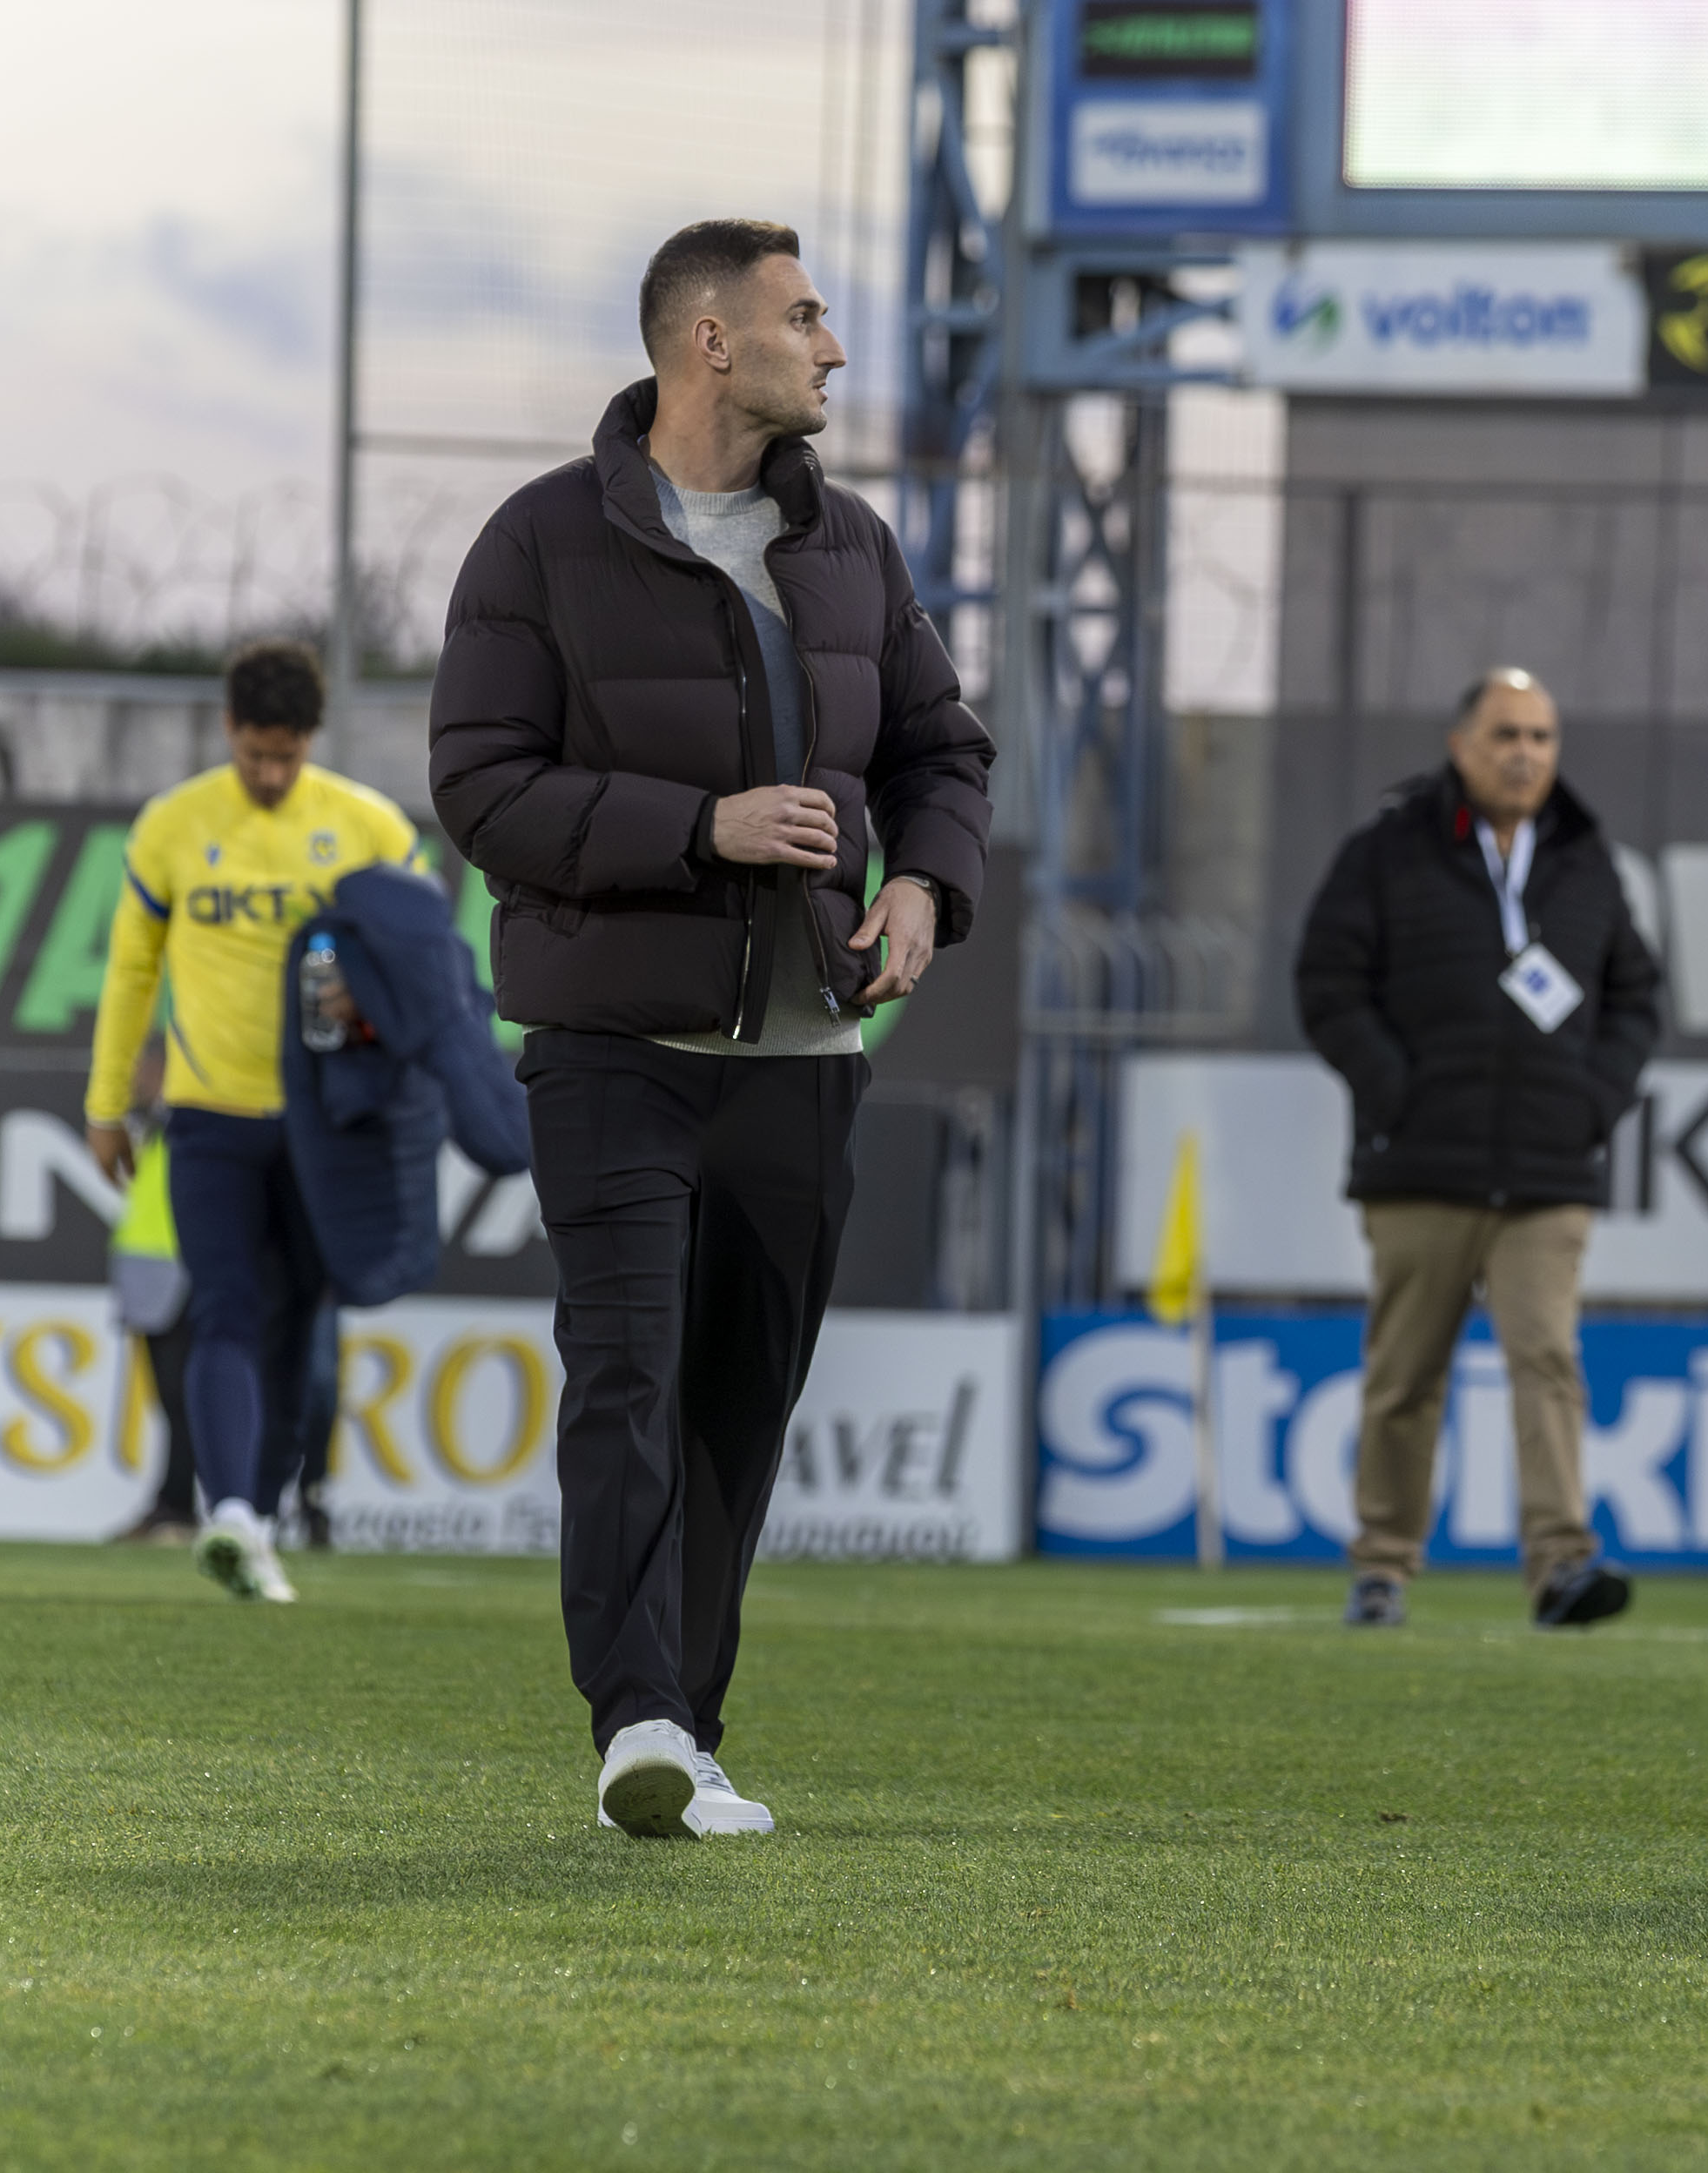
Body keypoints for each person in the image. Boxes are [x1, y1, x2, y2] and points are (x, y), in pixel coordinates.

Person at [429, 218, 992, 1839]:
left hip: (805, 1064)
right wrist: (700, 826)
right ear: (709, 342)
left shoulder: (852, 546)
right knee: (625, 1381)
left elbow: (942, 755)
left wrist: (924, 890)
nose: (832, 348)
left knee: (737, 1414)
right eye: (804, 318)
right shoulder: (539, 542)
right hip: (615, 1052)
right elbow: (480, 787)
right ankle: (637, 1720)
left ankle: (695, 1730)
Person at [1294, 668, 1662, 1631]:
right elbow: (1327, 981)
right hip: (1421, 1165)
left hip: (1547, 1170)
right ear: (1461, 746)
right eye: (1505, 734)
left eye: (1541, 736)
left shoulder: (1584, 858)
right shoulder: (1387, 850)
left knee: (1547, 1362)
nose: (1524, 754)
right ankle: (1382, 1569)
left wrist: (1592, 1103)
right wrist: (1397, 1093)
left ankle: (1562, 1567)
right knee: (1405, 1377)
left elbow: (1636, 995)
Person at [85, 638, 421, 1604]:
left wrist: (383, 1040)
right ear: (228, 730)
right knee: (223, 1307)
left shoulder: (369, 828)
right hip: (209, 1117)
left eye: (287, 755)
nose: (270, 774)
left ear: (312, 738)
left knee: (295, 1325)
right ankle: (229, 1512)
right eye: (254, 754)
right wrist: (106, 1105)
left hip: (326, 1125)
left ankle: (262, 1519)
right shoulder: (173, 825)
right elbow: (131, 972)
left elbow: (420, 969)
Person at [108, 1037, 202, 1545]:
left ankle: (178, 1509)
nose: (138, 1078)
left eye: (146, 1067)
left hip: (180, 1273)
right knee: (173, 1400)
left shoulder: (190, 1123)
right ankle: (174, 1505)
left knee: (183, 1398)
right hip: (153, 1276)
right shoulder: (156, 1127)